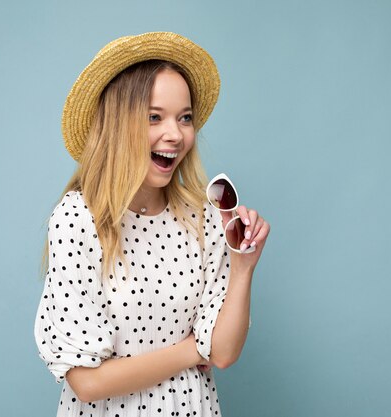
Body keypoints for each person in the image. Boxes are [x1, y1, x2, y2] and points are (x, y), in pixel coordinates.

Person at [34, 32, 270, 417]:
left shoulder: (204, 217)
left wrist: (243, 267)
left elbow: (224, 353)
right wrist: (192, 349)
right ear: (118, 125)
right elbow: (87, 383)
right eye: (154, 117)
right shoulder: (79, 218)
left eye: (185, 118)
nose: (175, 135)